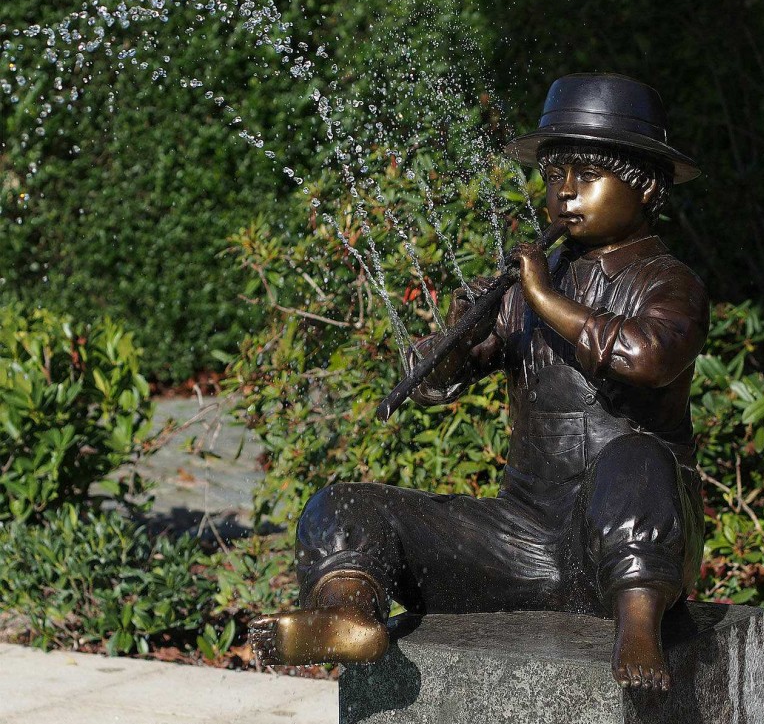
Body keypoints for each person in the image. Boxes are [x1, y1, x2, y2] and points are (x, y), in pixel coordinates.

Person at [250, 73, 709, 691]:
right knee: (344, 505)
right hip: (525, 537)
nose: (565, 195)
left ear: (646, 187)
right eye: (554, 178)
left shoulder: (667, 282)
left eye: (586, 176)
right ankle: (347, 612)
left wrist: (545, 299)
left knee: (636, 459)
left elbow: (647, 356)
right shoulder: (525, 288)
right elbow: (444, 379)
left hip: (633, 550)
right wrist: (450, 347)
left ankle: (638, 632)